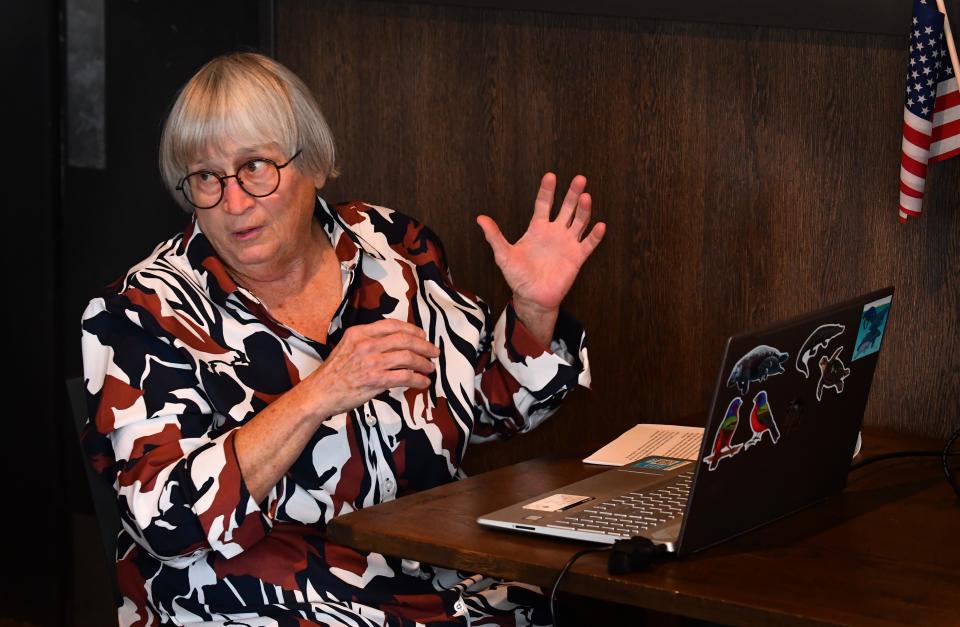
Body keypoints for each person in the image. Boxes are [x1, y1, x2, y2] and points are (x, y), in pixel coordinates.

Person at [81, 52, 605, 627]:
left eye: (256, 166)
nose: (233, 203)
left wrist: (533, 311)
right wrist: (318, 393)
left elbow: (489, 410)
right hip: (250, 599)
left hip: (429, 578)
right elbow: (167, 524)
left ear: (316, 163)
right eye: (206, 177)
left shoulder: (393, 248)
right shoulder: (140, 312)